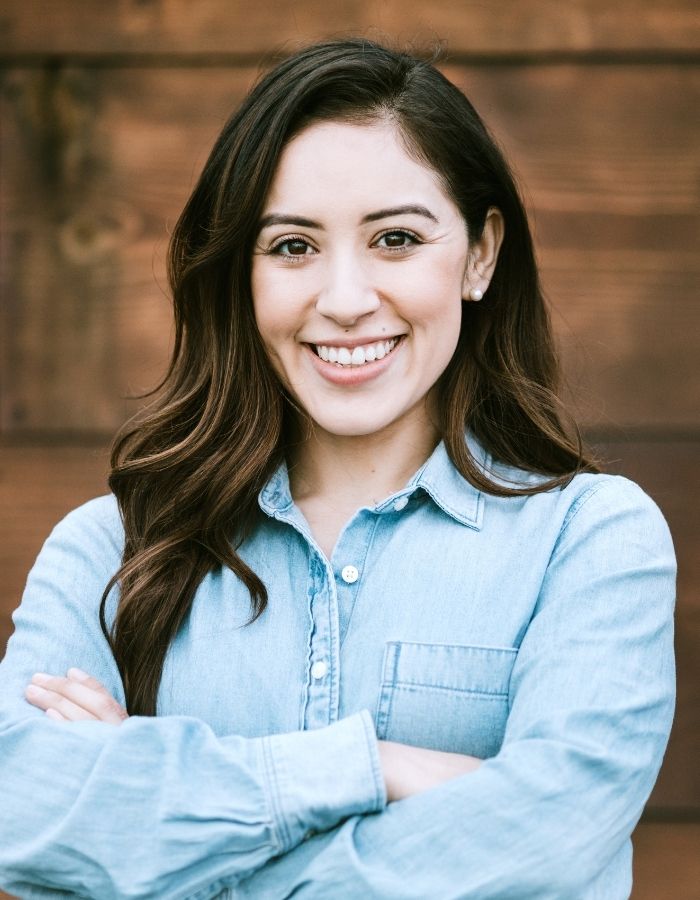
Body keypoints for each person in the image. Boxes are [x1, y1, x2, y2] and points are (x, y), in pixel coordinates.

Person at [0, 38, 675, 899]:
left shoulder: (590, 540)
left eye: (396, 238)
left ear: (479, 255)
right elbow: (23, 814)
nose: (347, 298)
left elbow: (557, 836)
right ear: (242, 273)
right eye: (292, 247)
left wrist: (156, 836)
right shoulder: (111, 551)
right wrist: (374, 768)